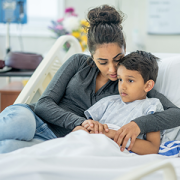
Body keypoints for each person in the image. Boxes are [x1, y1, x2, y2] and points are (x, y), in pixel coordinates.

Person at [0, 5, 180, 154]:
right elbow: (44, 104)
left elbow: (176, 113)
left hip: (58, 141)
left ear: (125, 49)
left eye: (118, 59)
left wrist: (138, 125)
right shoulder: (78, 62)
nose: (112, 69)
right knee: (21, 124)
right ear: (92, 56)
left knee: (8, 149)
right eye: (103, 61)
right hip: (35, 119)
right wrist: (79, 122)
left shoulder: (128, 82)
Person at [83, 51, 163, 155]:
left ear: (148, 85)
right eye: (120, 79)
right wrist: (91, 125)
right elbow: (85, 126)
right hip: (92, 146)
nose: (122, 86)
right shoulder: (108, 102)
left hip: (116, 153)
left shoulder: (151, 106)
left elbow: (152, 149)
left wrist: (113, 134)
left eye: (130, 80)